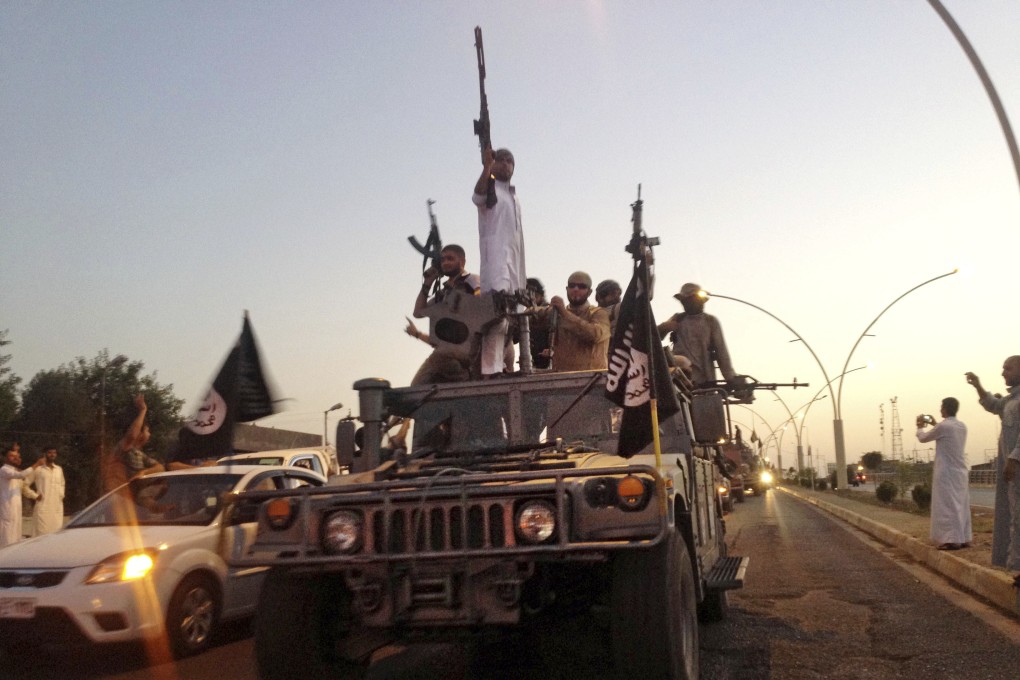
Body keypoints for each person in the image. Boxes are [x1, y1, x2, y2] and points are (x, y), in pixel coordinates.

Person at [966, 356, 1020, 581]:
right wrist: (978, 386)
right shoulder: (1011, 400)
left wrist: (1014, 458)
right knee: (1013, 517)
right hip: (1012, 473)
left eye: (1008, 368)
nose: (1003, 373)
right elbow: (992, 404)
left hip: (1016, 467)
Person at [473, 147, 525, 377]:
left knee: (512, 319)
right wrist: (486, 168)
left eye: (509, 160)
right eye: (500, 160)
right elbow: (478, 196)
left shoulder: (512, 195)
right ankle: (490, 371)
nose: (505, 164)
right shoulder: (490, 188)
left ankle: (503, 367)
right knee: (496, 319)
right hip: (496, 263)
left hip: (515, 265)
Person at [407, 244, 480, 385]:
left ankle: (467, 378)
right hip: (447, 352)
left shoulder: (471, 280)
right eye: (443, 260)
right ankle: (462, 378)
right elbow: (418, 312)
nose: (445, 262)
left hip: (469, 347)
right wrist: (428, 283)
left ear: (462, 261)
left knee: (440, 356)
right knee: (417, 386)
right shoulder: (442, 294)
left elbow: (480, 300)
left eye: (450, 258)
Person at [657, 282, 738, 388]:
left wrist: (730, 378)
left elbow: (721, 351)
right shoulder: (677, 319)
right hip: (681, 380)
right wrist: (664, 327)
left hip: (705, 380)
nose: (687, 303)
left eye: (692, 300)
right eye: (685, 301)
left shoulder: (710, 321)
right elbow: (653, 337)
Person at [916, 398, 971, 550]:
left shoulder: (943, 426)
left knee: (947, 506)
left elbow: (923, 438)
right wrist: (935, 424)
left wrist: (920, 427)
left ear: (945, 409)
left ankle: (950, 539)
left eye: (941, 407)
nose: (940, 409)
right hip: (960, 471)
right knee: (961, 505)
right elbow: (945, 434)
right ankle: (964, 537)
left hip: (946, 472)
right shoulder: (961, 426)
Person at [538, 272, 610, 372]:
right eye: (572, 286)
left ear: (589, 292)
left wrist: (564, 313)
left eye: (581, 286)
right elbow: (533, 314)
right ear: (567, 289)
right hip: (560, 380)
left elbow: (594, 335)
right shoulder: (557, 312)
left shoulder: (599, 313)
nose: (576, 289)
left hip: (592, 381)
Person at [103, 393, 164, 493]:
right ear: (140, 432)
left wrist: (143, 472)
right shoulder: (123, 447)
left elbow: (160, 467)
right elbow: (131, 436)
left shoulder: (140, 454)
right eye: (147, 430)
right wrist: (143, 410)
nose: (149, 434)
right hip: (116, 497)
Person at [1, 444, 45, 547]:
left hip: (16, 509)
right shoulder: (4, 470)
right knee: (7, 536)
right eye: (12, 456)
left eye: (17, 456)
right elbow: (21, 475)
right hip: (7, 509)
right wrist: (37, 464)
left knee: (15, 537)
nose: (16, 458)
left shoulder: (16, 471)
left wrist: (35, 496)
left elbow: (24, 488)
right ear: (5, 458)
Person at [30, 445, 66, 536]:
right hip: (43, 508)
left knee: (56, 536)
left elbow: (62, 484)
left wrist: (61, 495)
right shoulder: (38, 469)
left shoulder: (59, 469)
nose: (52, 455)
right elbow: (25, 485)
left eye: (54, 453)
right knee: (42, 536)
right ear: (45, 454)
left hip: (57, 508)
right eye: (50, 452)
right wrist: (35, 496)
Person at [525, 278, 551, 369]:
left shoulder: (549, 312)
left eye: (534, 296)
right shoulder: (525, 315)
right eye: (527, 296)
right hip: (532, 363)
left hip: (550, 363)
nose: (531, 299)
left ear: (541, 296)